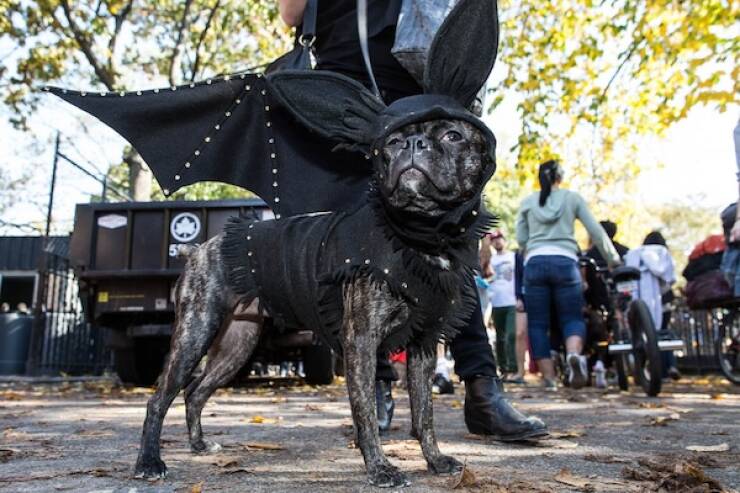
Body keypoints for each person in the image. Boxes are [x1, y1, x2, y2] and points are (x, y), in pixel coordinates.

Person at [278, 0, 547, 441]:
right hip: (341, 92)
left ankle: (478, 387)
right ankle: (388, 387)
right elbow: (292, 15)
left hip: (411, 76)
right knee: (359, 250)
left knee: (443, 232)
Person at [516, 160, 620, 390]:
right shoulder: (572, 198)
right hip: (566, 262)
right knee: (572, 317)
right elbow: (595, 230)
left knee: (537, 323)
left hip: (534, 263)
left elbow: (521, 239)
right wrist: (612, 259)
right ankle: (574, 354)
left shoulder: (528, 202)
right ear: (559, 177)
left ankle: (550, 379)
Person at [625, 231, 680, 380]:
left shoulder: (633, 255)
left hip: (636, 302)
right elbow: (670, 279)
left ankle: (642, 368)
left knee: (640, 333)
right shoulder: (662, 255)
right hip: (663, 304)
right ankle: (667, 368)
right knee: (663, 333)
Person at [485, 230, 521, 382]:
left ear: (505, 240)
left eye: (500, 238)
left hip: (512, 301)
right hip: (496, 302)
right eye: (494, 239)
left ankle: (514, 369)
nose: (497, 241)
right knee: (500, 338)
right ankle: (503, 369)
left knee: (512, 335)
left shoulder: (513, 257)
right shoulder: (490, 259)